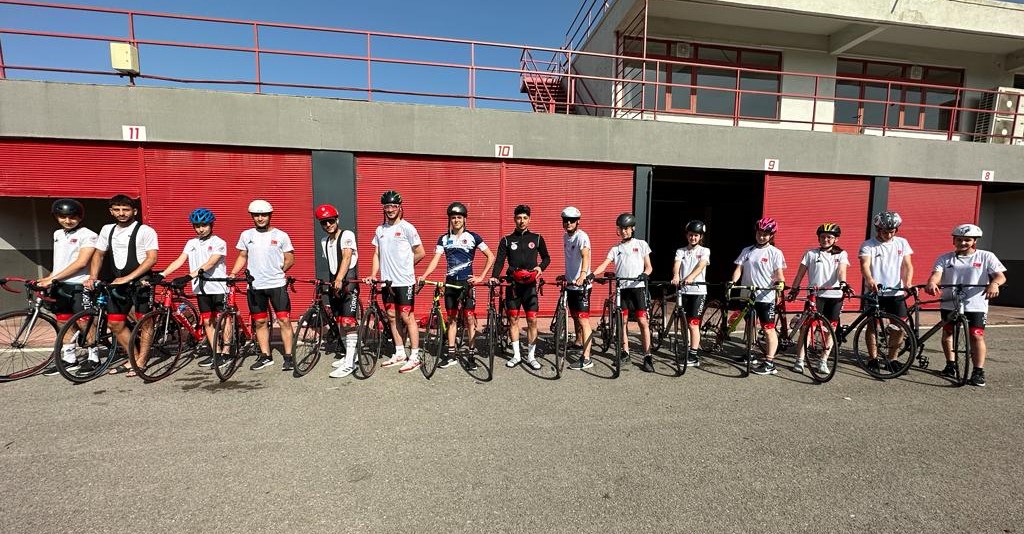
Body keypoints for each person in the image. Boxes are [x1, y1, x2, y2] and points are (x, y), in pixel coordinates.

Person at [924, 223, 1006, 387]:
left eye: (967, 240)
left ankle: (978, 371)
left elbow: (1000, 276)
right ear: (954, 240)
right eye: (959, 240)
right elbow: (936, 275)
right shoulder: (945, 258)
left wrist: (995, 284)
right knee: (948, 333)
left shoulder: (986, 256)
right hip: (950, 302)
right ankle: (950, 364)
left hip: (975, 305)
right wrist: (932, 283)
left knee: (976, 336)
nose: (962, 243)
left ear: (974, 241)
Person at [86, 194, 159, 377]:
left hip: (141, 281)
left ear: (134, 211)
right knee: (115, 323)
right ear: (111, 211)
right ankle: (133, 358)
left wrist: (128, 278)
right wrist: (93, 277)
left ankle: (142, 361)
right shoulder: (107, 230)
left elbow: (152, 258)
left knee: (145, 322)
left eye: (126, 209)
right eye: (117, 209)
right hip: (118, 282)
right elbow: (99, 254)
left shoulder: (145, 231)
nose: (121, 213)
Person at [418, 201, 495, 370]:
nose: (456, 220)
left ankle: (471, 355)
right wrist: (424, 275)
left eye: (459, 217)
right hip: (451, 284)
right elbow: (435, 260)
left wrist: (481, 276)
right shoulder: (444, 239)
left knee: (469, 319)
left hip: (467, 284)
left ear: (465, 219)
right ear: (450, 220)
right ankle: (451, 354)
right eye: (453, 217)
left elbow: (491, 256)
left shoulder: (474, 237)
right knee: (451, 319)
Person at [228, 199, 295, 372]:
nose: (260, 218)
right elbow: (242, 256)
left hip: (277, 285)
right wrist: (233, 273)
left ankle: (289, 356)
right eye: (256, 215)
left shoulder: (281, 235)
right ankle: (266, 356)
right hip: (255, 286)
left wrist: (278, 271)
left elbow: (290, 259)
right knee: (260, 321)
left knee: (284, 320)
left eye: (263, 215)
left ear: (270, 215)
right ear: (252, 216)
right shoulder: (246, 235)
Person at [364, 190, 426, 374]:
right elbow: (377, 254)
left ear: (400, 207)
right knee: (391, 317)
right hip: (387, 282)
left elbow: (420, 252)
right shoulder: (380, 230)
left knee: (407, 317)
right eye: (387, 206)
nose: (390, 210)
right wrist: (373, 274)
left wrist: (406, 266)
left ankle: (415, 356)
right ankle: (399, 353)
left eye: (393, 206)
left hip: (405, 281)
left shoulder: (408, 228)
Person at [158, 208, 228, 368]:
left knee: (223, 321)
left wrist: (189, 276)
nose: (200, 229)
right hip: (201, 289)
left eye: (204, 225)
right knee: (207, 321)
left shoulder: (219, 242)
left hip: (218, 287)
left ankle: (226, 352)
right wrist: (163, 274)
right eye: (197, 226)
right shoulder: (191, 243)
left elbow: (210, 263)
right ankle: (216, 353)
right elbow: (179, 260)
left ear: (211, 225)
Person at [38, 199, 97, 376]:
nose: (67, 221)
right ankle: (70, 359)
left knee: (84, 321)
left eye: (72, 217)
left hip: (80, 284)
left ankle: (94, 357)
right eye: (62, 217)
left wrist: (52, 279)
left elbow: (81, 262)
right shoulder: (57, 233)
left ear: (80, 217)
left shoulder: (88, 235)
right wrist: (48, 278)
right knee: (63, 321)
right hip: (60, 285)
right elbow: (61, 263)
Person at [490, 204, 551, 370]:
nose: (522, 221)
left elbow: (546, 258)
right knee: (513, 320)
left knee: (532, 320)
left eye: (525, 218)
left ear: (529, 219)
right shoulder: (506, 240)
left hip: (530, 286)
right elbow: (500, 260)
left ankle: (531, 356)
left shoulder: (537, 238)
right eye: (519, 218)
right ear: (514, 219)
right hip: (513, 286)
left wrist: (540, 268)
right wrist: (494, 276)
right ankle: (516, 355)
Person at [593, 213, 655, 372]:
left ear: (632, 228)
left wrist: (645, 274)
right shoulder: (615, 249)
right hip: (622, 290)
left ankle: (647, 356)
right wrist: (592, 274)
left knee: (642, 322)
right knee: (623, 322)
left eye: (627, 228)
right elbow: (604, 264)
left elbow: (649, 267)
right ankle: (625, 353)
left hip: (638, 288)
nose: (624, 231)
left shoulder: (641, 244)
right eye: (621, 228)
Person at [786, 222, 849, 374]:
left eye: (829, 237)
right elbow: (800, 274)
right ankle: (800, 360)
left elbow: (841, 271)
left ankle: (823, 361)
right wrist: (794, 289)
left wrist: (843, 283)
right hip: (816, 296)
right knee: (808, 329)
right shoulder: (811, 254)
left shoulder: (841, 254)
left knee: (830, 330)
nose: (825, 239)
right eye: (822, 237)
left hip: (835, 296)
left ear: (836, 239)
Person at [729, 217, 786, 376]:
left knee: (768, 329)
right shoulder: (747, 250)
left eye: (765, 234)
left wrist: (780, 284)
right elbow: (738, 269)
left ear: (771, 235)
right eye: (759, 233)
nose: (761, 237)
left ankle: (770, 363)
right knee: (750, 326)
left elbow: (779, 273)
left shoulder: (775, 252)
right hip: (747, 294)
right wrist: (733, 282)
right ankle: (750, 353)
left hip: (765, 296)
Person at [858, 210, 913, 372]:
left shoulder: (902, 243)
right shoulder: (868, 245)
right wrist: (870, 280)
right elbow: (864, 265)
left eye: (892, 231)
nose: (888, 235)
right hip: (874, 292)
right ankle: (873, 359)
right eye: (885, 232)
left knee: (899, 327)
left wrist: (908, 282)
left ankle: (892, 358)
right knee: (873, 326)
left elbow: (907, 265)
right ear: (878, 229)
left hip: (896, 293)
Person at [315, 204, 360, 379]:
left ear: (337, 219)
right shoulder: (324, 241)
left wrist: (340, 279)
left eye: (331, 221)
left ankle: (350, 364)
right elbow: (331, 263)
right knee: (340, 321)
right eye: (324, 222)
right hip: (335, 283)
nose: (328, 225)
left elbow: (346, 257)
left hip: (348, 283)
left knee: (349, 322)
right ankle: (350, 356)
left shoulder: (347, 235)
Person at [669, 220, 710, 368]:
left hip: (698, 291)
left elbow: (701, 265)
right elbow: (677, 264)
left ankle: (694, 354)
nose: (693, 238)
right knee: (683, 323)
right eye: (691, 235)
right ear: (687, 235)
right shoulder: (681, 251)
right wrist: (676, 276)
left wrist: (691, 277)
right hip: (683, 291)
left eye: (696, 235)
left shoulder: (704, 251)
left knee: (693, 324)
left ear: (700, 237)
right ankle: (686, 349)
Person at [560, 206, 594, 370]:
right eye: (566, 220)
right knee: (574, 316)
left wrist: (583, 275)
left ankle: (586, 358)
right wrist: (566, 275)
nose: (568, 223)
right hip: (571, 284)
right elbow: (571, 260)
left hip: (582, 286)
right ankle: (579, 342)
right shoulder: (565, 237)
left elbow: (585, 256)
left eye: (572, 220)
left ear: (578, 221)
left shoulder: (582, 237)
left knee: (583, 320)